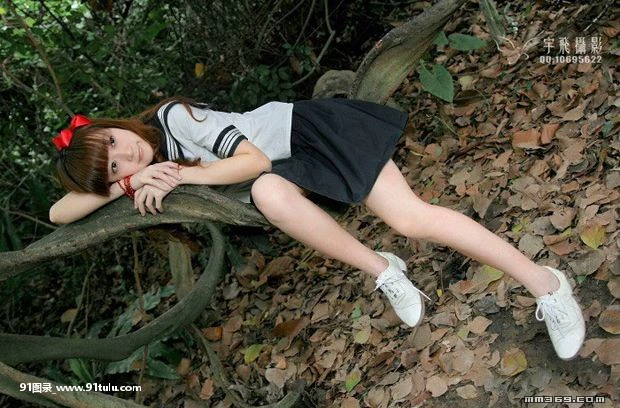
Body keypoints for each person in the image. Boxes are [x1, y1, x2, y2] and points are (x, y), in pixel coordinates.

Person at [49, 97, 585, 360]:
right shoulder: (142, 168)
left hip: (311, 135)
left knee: (410, 219)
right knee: (269, 195)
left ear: (113, 125)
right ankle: (384, 270)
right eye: (111, 166)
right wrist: (126, 181)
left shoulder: (173, 118)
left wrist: (178, 176)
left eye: (114, 142)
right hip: (287, 169)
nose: (125, 154)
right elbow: (58, 213)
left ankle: (548, 285)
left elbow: (255, 160)